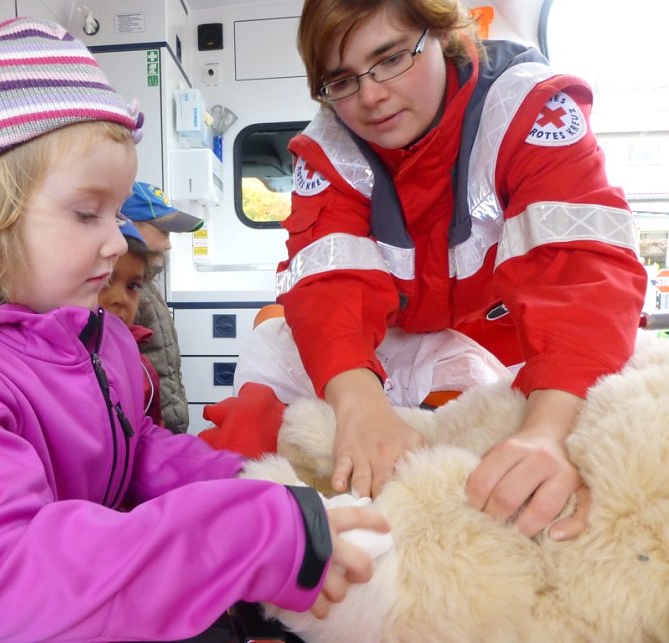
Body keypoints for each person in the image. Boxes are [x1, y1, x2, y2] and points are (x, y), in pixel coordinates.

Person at [0, 17, 388, 642]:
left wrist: (256, 485)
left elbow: (135, 450)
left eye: (116, 213)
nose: (117, 242)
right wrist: (252, 535)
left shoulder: (96, 337)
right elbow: (10, 578)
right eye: (88, 213)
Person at [273, 0, 647, 541]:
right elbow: (327, 284)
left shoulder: (529, 108)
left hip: (531, 357)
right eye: (343, 80)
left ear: (442, 32)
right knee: (260, 414)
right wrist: (357, 402)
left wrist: (549, 430)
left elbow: (580, 270)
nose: (371, 96)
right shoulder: (327, 149)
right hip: (388, 354)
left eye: (391, 58)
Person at [122, 181, 204, 433]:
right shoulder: (126, 292)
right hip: (149, 427)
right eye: (163, 232)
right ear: (130, 225)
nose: (169, 245)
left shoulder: (148, 284)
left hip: (168, 421)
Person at [99, 222, 164, 425]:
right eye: (106, 281)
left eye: (133, 286)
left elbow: (149, 430)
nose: (121, 299)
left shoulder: (141, 367)